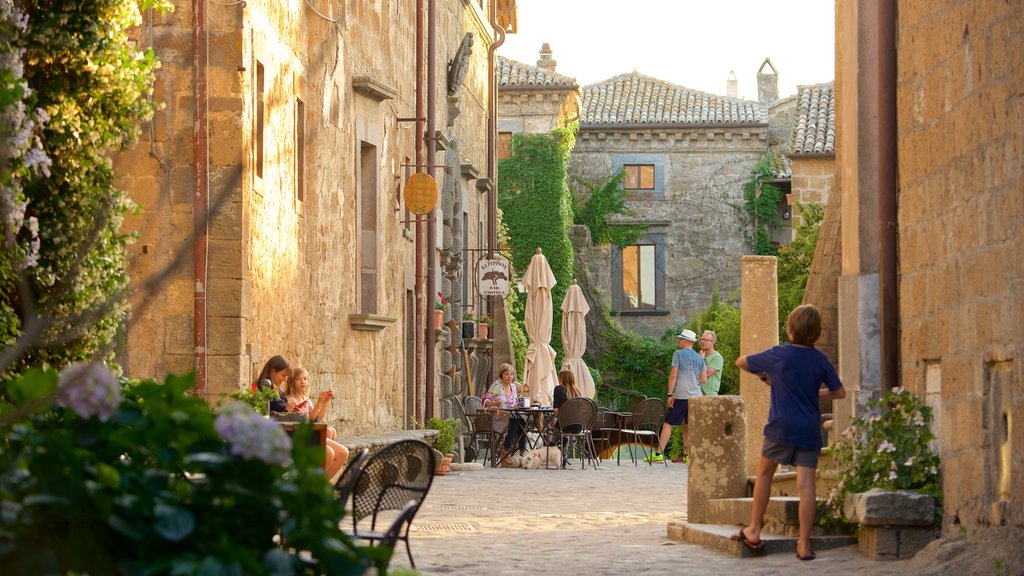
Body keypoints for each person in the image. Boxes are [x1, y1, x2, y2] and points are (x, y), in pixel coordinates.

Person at [733, 304, 846, 561]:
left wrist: (766, 376)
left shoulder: (779, 354)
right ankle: (804, 545)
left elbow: (742, 362)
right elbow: (840, 392)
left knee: (763, 475)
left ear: (791, 328)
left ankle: (753, 530)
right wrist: (817, 392)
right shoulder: (820, 359)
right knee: (806, 485)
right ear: (817, 331)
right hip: (808, 429)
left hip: (780, 427)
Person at [646, 329, 705, 463]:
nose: (679, 341)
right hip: (696, 397)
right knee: (688, 425)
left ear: (685, 341)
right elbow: (703, 379)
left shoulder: (678, 354)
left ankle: (659, 454)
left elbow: (673, 375)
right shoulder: (700, 358)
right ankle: (688, 455)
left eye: (680, 339)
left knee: (668, 423)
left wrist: (670, 394)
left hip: (681, 396)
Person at [284, 367, 349, 479]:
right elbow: (309, 421)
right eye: (298, 379)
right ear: (292, 381)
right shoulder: (292, 400)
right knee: (336, 446)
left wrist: (325, 402)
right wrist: (319, 401)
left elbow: (317, 418)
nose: (303, 382)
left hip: (309, 435)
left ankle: (323, 483)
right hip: (302, 438)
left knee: (333, 435)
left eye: (305, 379)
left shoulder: (305, 399)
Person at [482, 362, 526, 467]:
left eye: (511, 374)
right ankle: (505, 450)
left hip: (510, 414)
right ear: (501, 375)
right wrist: (495, 403)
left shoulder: (513, 387)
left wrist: (519, 404)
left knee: (522, 420)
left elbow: (514, 402)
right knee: (515, 420)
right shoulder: (497, 386)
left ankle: (522, 450)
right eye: (507, 374)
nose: (509, 376)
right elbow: (485, 400)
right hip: (498, 416)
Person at [552, 370, 582, 467]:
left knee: (554, 426)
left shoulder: (558, 389)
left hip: (564, 425)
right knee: (563, 427)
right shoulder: (577, 392)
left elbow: (556, 411)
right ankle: (563, 450)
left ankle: (557, 449)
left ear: (561, 379)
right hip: (578, 426)